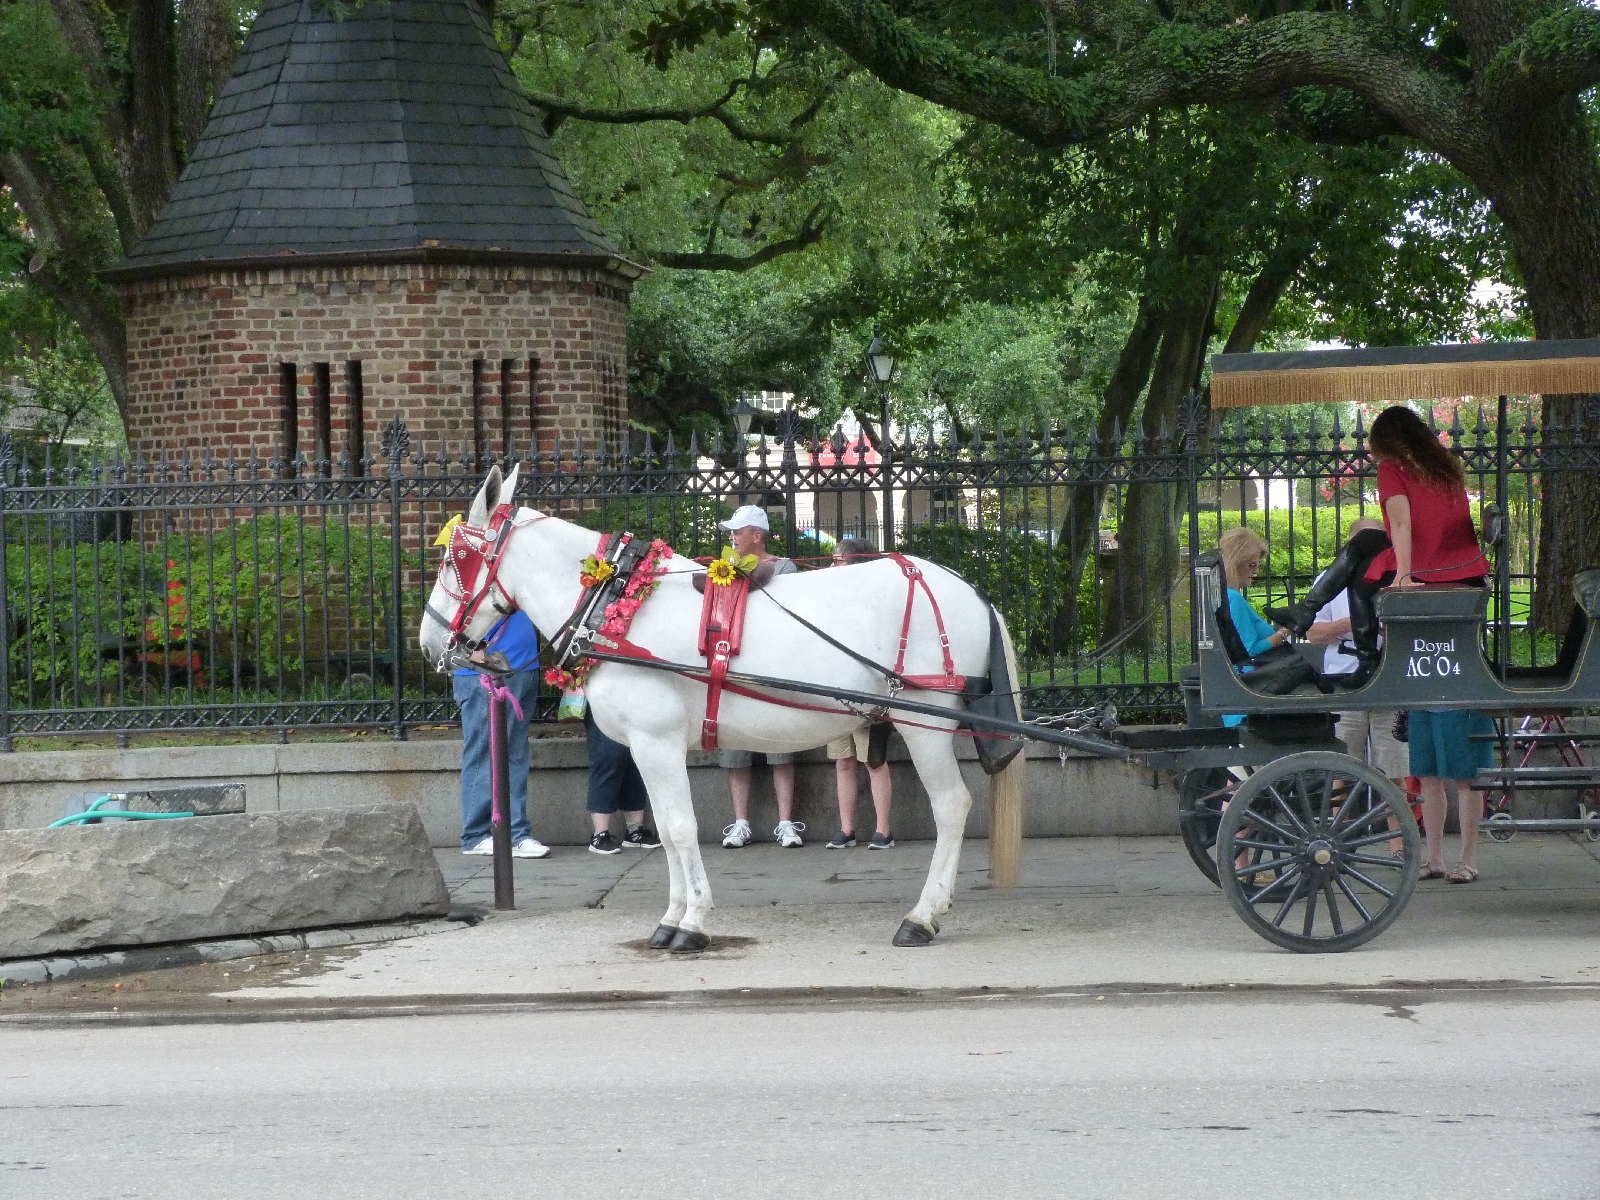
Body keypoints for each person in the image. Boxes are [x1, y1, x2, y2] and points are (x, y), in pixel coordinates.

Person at [1366, 405, 1492, 883]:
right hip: (1465, 583)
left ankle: (1448, 857)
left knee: (1439, 773)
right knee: (1453, 773)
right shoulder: (1442, 466)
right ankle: (1454, 858)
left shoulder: (1392, 468)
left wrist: (1401, 575)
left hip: (1429, 578)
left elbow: (1402, 524)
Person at [1305, 518, 1409, 849]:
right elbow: (1312, 632)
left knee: (1392, 765)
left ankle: (1399, 841)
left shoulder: (1394, 579)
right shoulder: (1328, 580)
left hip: (1385, 679)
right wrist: (1352, 622)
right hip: (1343, 680)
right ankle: (1337, 837)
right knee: (1342, 767)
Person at [715, 504, 805, 848]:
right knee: (736, 748)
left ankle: (785, 822)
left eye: (739, 531)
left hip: (773, 666)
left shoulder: (785, 568)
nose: (733, 536)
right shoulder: (724, 568)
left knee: (781, 746)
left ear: (758, 535)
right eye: (731, 531)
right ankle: (740, 822)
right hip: (736, 663)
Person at [455, 610, 549, 858]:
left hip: (523, 666)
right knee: (483, 753)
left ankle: (515, 833)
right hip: (484, 669)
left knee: (514, 754)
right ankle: (476, 834)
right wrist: (471, 646)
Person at [822, 538, 894, 849]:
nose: (831, 566)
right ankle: (847, 829)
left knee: (874, 760)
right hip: (837, 692)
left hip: (868, 693)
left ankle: (883, 830)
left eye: (838, 561)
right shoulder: (830, 599)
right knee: (843, 761)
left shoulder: (873, 603)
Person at [1216, 527, 1292, 727]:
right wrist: (1284, 633)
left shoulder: (1225, 596)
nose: (1256, 571)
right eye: (1252, 565)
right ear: (1236, 563)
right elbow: (1248, 650)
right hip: (1249, 692)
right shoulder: (1233, 598)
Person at [583, 709, 661, 854]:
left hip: (632, 698)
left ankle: (634, 830)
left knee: (635, 760)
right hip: (605, 697)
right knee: (608, 755)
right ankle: (599, 834)